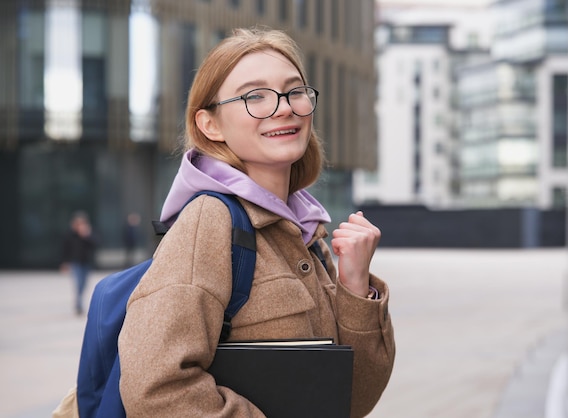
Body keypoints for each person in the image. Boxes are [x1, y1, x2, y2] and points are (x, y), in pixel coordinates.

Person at [118, 27, 395, 418]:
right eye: (255, 96)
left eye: (294, 90)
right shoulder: (209, 222)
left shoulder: (305, 231)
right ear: (209, 125)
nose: (284, 107)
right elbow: (156, 389)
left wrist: (354, 287)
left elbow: (351, 399)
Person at [60, 211, 97, 315]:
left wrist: (86, 236)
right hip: (75, 262)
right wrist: (65, 262)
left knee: (84, 283)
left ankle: (78, 301)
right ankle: (78, 304)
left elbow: (95, 244)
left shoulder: (88, 233)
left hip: (86, 262)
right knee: (78, 283)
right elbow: (65, 249)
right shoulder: (70, 234)